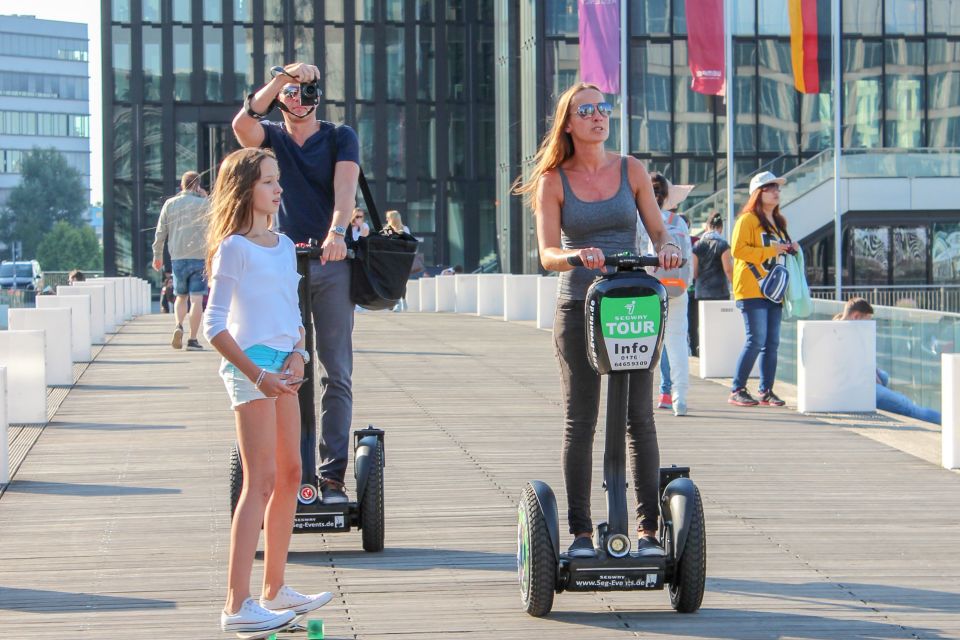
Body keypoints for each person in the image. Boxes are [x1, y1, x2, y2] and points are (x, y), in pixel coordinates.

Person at [512, 82, 682, 557]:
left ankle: (648, 532)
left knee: (639, 417)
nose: (597, 116)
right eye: (585, 110)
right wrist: (574, 255)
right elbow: (546, 253)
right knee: (580, 419)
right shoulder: (553, 180)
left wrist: (667, 249)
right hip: (579, 304)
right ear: (569, 122)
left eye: (603, 108)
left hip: (630, 303)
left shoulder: (631, 170)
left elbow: (658, 230)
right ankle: (583, 533)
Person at [202, 148, 333, 635]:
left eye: (278, 181)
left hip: (285, 364)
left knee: (292, 472)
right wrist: (258, 376)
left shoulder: (281, 244)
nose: (279, 190)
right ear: (245, 190)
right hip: (251, 367)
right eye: (268, 182)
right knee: (258, 480)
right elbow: (213, 327)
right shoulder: (233, 248)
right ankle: (237, 605)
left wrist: (300, 351)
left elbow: (289, 308)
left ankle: (273, 591)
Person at [232, 61, 360, 504]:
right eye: (290, 91)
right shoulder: (272, 137)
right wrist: (281, 77)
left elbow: (346, 192)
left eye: (306, 91)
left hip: (329, 260)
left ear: (318, 97)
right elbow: (241, 125)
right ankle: (293, 472)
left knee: (336, 370)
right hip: (282, 263)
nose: (297, 98)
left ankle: (331, 476)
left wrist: (337, 234)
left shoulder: (340, 136)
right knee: (288, 362)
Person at [728, 171, 800, 407]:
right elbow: (737, 251)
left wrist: (790, 248)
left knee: (772, 342)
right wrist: (773, 250)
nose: (776, 192)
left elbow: (780, 252)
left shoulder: (779, 222)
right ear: (758, 193)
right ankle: (737, 388)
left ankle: (766, 390)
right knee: (755, 340)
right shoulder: (747, 220)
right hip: (751, 288)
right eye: (771, 187)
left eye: (777, 188)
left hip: (774, 289)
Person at [834, 298, 942, 424]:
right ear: (856, 316)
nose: (868, 327)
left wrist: (872, 373)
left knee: (884, 377)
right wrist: (870, 376)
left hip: (856, 384)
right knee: (908, 407)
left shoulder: (838, 329)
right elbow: (852, 369)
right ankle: (953, 423)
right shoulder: (846, 335)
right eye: (867, 322)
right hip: (858, 389)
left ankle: (886, 398)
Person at [645, 173, 693, 417]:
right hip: (676, 288)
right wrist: (686, 285)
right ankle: (679, 398)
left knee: (646, 342)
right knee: (677, 344)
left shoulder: (641, 221)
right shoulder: (679, 221)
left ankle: (644, 396)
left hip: (648, 288)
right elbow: (689, 261)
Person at [152, 171, 210, 351]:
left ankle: (178, 325)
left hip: (177, 257)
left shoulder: (170, 204)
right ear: (198, 185)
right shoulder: (204, 204)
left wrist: (157, 256)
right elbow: (215, 229)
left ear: (182, 185)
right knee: (196, 299)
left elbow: (160, 232)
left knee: (180, 296)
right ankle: (193, 339)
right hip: (199, 257)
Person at [691, 212, 733, 357]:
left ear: (707, 226)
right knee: (721, 325)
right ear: (720, 228)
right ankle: (720, 354)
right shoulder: (723, 245)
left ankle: (705, 353)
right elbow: (728, 269)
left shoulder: (697, 245)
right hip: (720, 292)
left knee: (703, 325)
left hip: (702, 292)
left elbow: (694, 272)